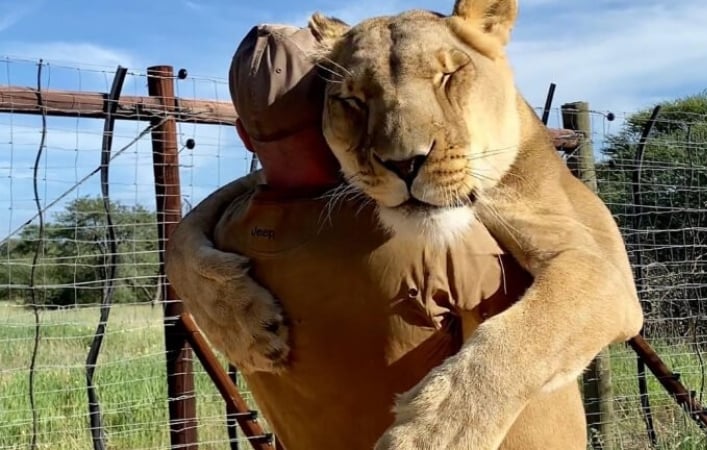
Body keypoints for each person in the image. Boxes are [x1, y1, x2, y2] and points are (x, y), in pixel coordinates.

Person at [165, 24, 584, 450]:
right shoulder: (437, 235)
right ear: (336, 112)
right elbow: (578, 299)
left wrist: (181, 245)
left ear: (242, 133)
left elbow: (262, 184)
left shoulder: (221, 243)